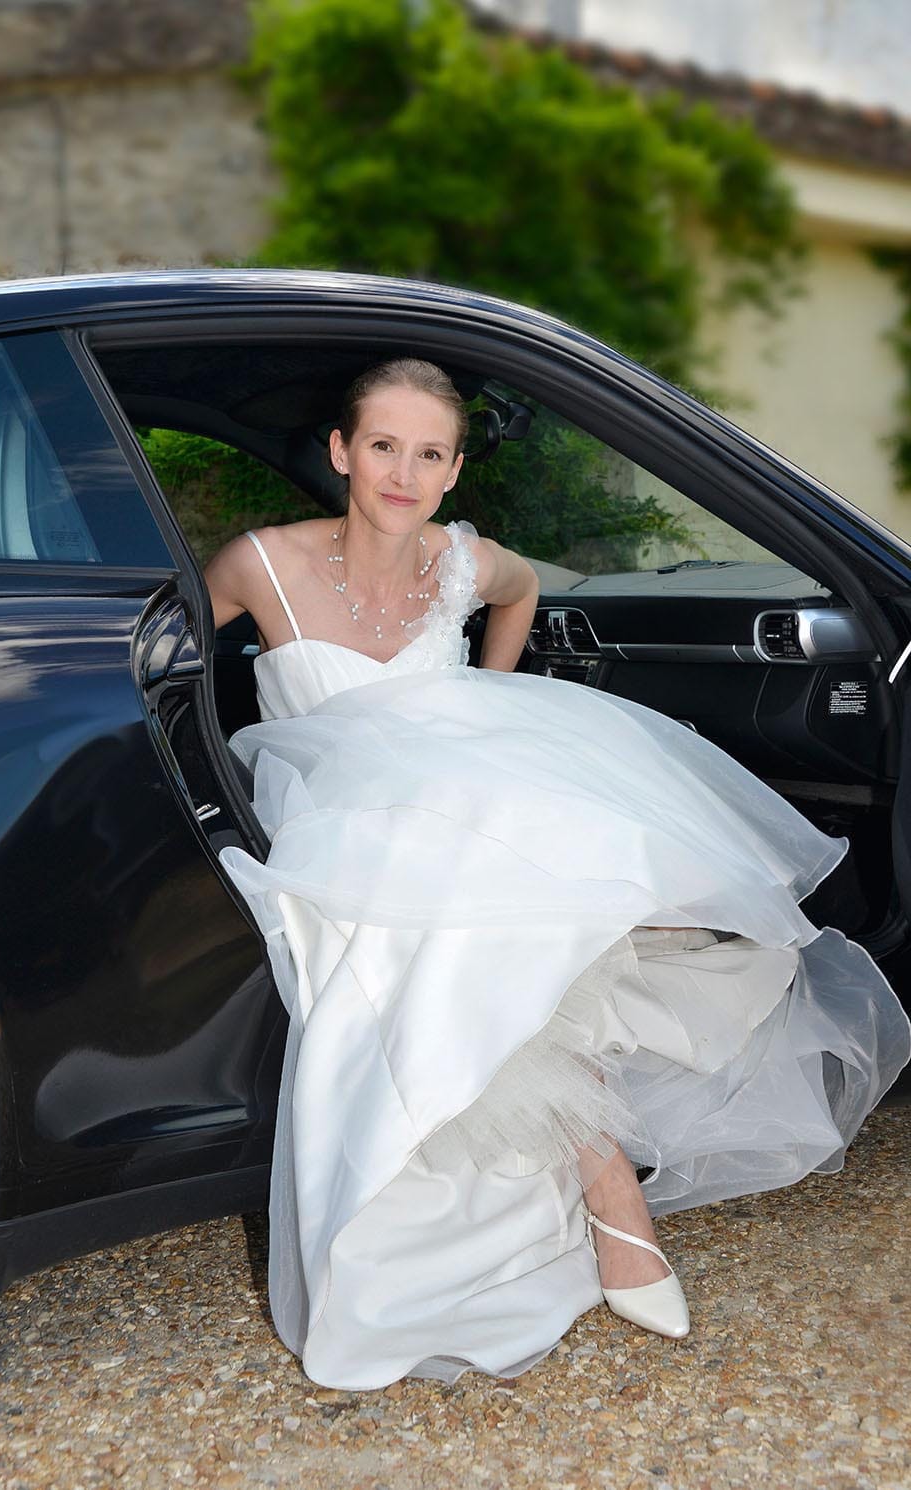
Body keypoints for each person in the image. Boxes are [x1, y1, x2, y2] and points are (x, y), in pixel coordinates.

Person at [206, 358, 910, 1390]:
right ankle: (606, 1179)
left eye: (431, 452)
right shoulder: (257, 563)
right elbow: (151, 656)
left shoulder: (461, 559)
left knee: (521, 859)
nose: (405, 472)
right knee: (473, 864)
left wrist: (488, 698)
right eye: (385, 445)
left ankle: (591, 1173)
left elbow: (525, 589)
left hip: (459, 785)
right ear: (342, 452)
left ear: (451, 473)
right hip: (332, 799)